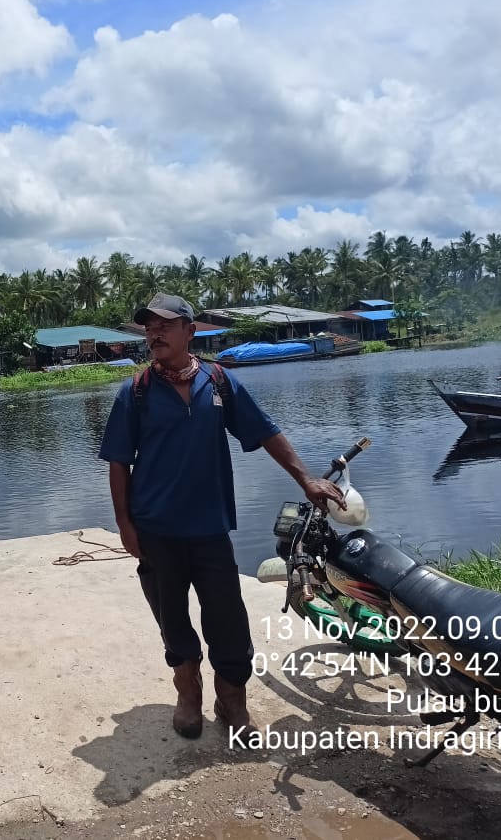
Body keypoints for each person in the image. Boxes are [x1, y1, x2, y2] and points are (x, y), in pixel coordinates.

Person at [98, 292, 343, 741]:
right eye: (149, 326)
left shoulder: (220, 382)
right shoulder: (135, 392)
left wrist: (306, 479)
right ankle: (187, 690)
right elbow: (118, 462)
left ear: (190, 331)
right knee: (171, 615)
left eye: (165, 325)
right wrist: (125, 525)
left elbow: (265, 431)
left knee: (228, 617)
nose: (154, 332)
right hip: (156, 529)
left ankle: (232, 698)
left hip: (211, 527)